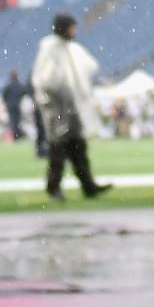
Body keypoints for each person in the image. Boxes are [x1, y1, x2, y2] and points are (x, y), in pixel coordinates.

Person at [32, 13, 114, 202]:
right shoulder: (50, 48)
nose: (74, 32)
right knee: (58, 149)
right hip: (56, 107)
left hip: (70, 105)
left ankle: (88, 185)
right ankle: (54, 188)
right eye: (72, 28)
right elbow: (47, 80)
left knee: (78, 147)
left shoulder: (67, 48)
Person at [1, 69, 30, 142]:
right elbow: (24, 92)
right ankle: (16, 135)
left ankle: (13, 135)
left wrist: (6, 102)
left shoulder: (9, 85)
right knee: (17, 121)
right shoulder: (19, 85)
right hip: (17, 105)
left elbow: (4, 95)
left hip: (10, 106)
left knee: (12, 121)